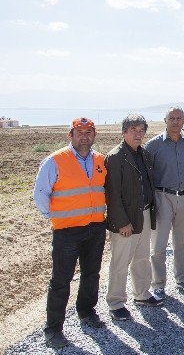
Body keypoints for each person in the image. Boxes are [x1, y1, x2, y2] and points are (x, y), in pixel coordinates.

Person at [33, 118, 107, 348]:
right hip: (66, 231)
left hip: (95, 227)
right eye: (79, 132)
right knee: (60, 281)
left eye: (88, 132)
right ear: (71, 135)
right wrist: (56, 216)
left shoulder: (100, 161)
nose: (84, 136)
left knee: (91, 273)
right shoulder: (55, 161)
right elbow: (40, 194)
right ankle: (53, 329)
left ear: (94, 135)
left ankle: (86, 312)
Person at [106, 114, 162, 321]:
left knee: (142, 258)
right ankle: (116, 302)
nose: (138, 135)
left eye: (141, 131)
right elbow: (112, 194)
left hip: (144, 213)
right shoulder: (115, 158)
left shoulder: (144, 155)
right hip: (125, 221)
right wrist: (122, 222)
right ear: (124, 132)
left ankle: (142, 294)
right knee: (120, 262)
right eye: (133, 131)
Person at [145, 107, 184, 299]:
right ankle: (158, 284)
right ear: (165, 120)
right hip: (162, 197)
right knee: (159, 244)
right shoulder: (153, 146)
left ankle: (182, 278)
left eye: (179, 118)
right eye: (172, 118)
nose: (175, 122)